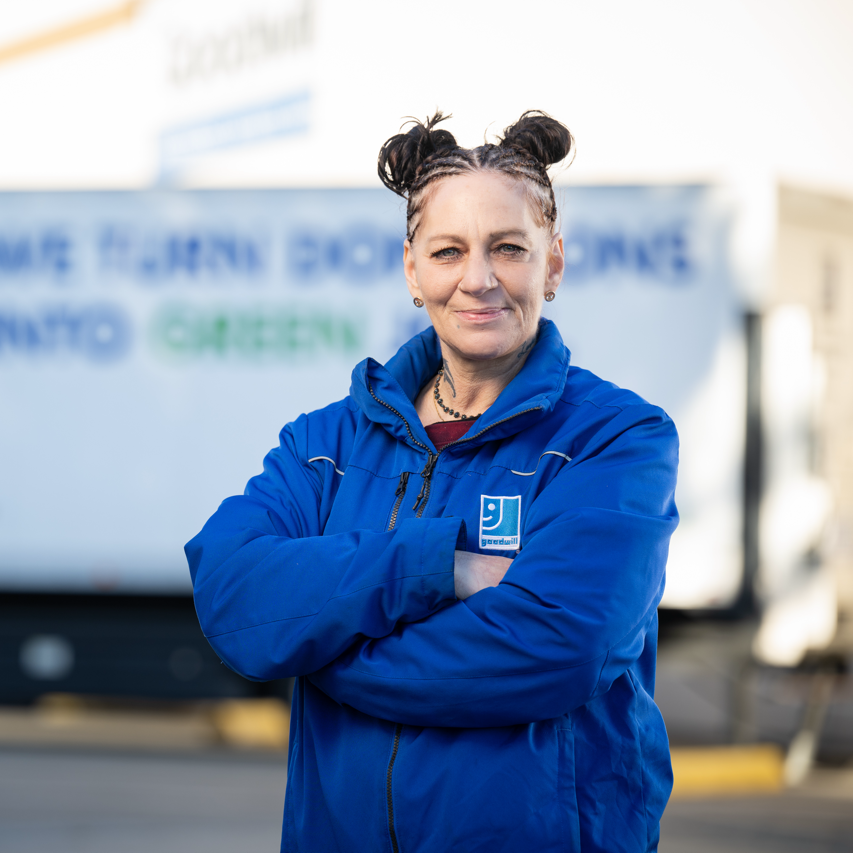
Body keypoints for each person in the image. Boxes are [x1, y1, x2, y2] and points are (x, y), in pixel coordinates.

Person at [186, 110, 679, 853]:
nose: (477, 279)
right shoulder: (328, 441)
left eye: (508, 249)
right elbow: (231, 595)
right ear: (412, 271)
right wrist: (431, 568)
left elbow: (556, 648)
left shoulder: (614, 440)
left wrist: (321, 650)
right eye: (448, 251)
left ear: (551, 264)